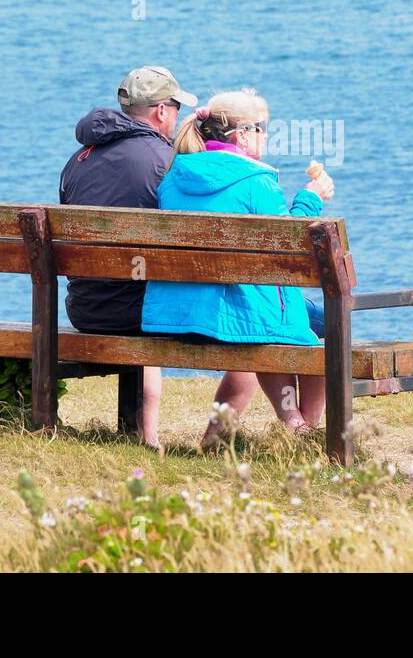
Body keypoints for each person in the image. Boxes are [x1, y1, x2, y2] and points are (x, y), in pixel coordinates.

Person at [139, 88, 336, 445]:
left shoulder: (172, 178)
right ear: (242, 134)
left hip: (179, 313)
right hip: (234, 313)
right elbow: (292, 252)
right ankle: (299, 425)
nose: (267, 135)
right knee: (325, 326)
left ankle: (282, 427)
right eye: (261, 128)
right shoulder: (255, 181)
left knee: (304, 318)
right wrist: (311, 199)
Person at [58, 66, 197, 448]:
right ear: (162, 111)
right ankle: (148, 435)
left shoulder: (79, 160)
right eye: (176, 109)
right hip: (138, 313)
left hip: (85, 309)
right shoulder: (166, 161)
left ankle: (144, 434)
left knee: (141, 288)